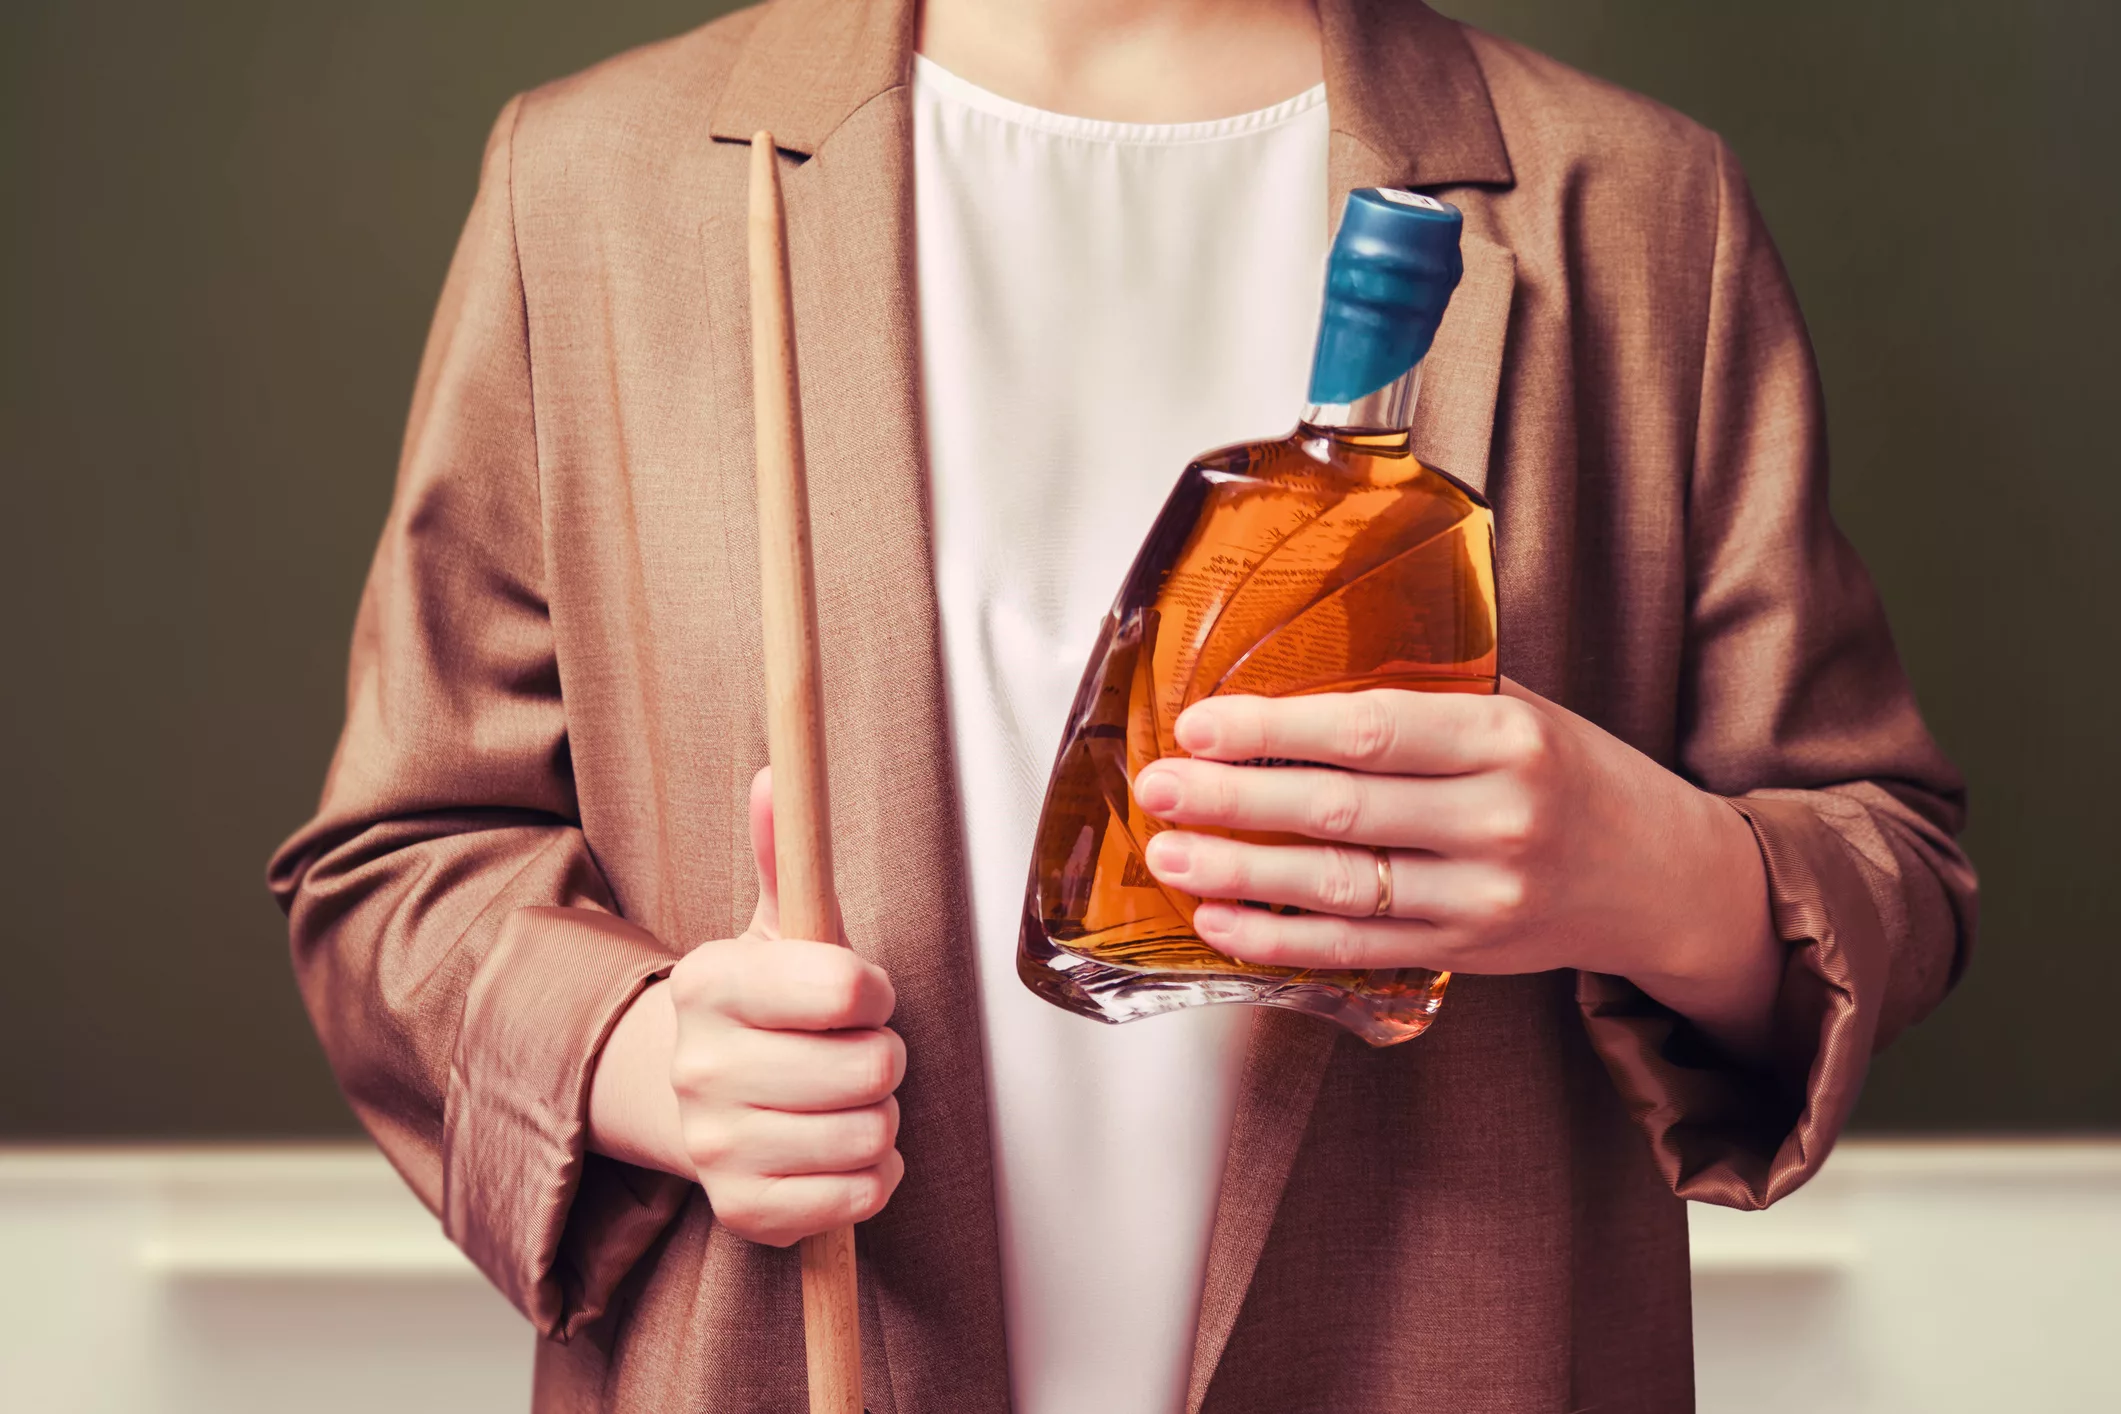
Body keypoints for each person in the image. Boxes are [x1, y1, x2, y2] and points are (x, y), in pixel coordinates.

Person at [268, 0, 1977, 1410]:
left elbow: (1885, 862)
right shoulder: (592, 189)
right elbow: (395, 870)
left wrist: (1645, 861)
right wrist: (637, 1053)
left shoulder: (1645, 211)